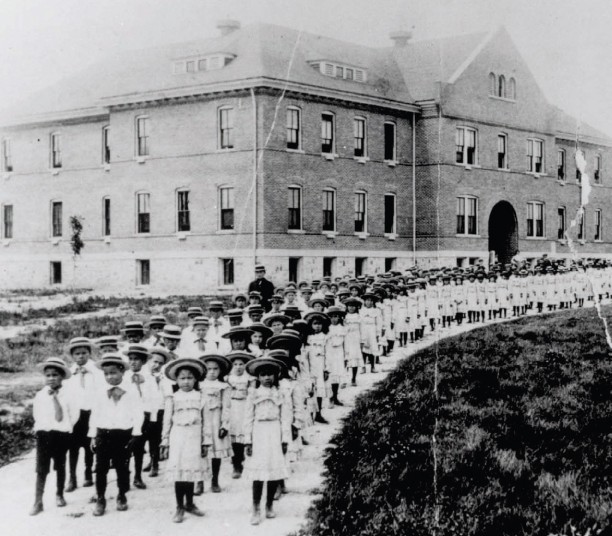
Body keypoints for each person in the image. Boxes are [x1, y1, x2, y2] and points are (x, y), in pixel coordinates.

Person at [89, 353, 144, 516]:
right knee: (100, 468)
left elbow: (138, 413)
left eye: (113, 372)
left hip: (123, 434)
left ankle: (122, 495)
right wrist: (93, 435)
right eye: (106, 374)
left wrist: (136, 434)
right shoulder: (100, 392)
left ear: (122, 372)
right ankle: (100, 498)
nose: (109, 376)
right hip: (103, 434)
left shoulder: (131, 391)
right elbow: (95, 414)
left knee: (122, 467)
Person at [160, 357, 211, 523]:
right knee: (179, 472)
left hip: (195, 437)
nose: (186, 381)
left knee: (190, 471)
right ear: (176, 380)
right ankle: (179, 506)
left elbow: (206, 422)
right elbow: (167, 421)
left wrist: (206, 442)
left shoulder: (201, 397)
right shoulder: (172, 398)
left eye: (190, 378)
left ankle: (190, 503)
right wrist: (165, 441)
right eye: (182, 378)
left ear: (196, 379)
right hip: (178, 437)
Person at [243, 357, 291, 525]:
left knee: (272, 470)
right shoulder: (253, 394)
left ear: (275, 376)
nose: (267, 378)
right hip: (259, 432)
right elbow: (248, 417)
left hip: (274, 431)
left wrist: (285, 439)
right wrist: (248, 441)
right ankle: (255, 507)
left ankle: (269, 504)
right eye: (263, 375)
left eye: (270, 374)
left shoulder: (280, 393)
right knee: (258, 471)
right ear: (258, 377)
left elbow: (286, 417)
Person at [30, 357, 77, 516]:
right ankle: (38, 501)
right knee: (41, 469)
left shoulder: (68, 395)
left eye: (55, 375)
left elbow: (73, 414)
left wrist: (65, 428)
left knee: (60, 465)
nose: (51, 378)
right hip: (44, 434)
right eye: (48, 375)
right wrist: (40, 429)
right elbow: (37, 414)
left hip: (61, 434)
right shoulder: (40, 395)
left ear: (62, 377)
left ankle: (59, 494)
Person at [65, 337, 101, 492]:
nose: (81, 356)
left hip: (91, 413)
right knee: (72, 448)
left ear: (89, 353)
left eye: (84, 353)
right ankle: (71, 478)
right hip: (74, 415)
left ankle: (88, 474)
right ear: (72, 356)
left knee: (89, 446)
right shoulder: (69, 373)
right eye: (77, 354)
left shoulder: (96, 371)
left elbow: (100, 391)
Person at [124, 344, 157, 490]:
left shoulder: (149, 378)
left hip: (144, 416)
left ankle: (137, 476)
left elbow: (155, 399)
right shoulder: (124, 378)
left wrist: (152, 419)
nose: (133, 362)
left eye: (136, 359)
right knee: (126, 447)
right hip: (128, 417)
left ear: (143, 361)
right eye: (130, 359)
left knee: (139, 447)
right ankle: (124, 476)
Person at [200, 353, 232, 494]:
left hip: (216, 419)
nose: (212, 372)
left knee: (216, 452)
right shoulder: (199, 385)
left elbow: (227, 406)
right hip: (201, 420)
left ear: (220, 371)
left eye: (215, 369)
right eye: (208, 369)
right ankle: (199, 481)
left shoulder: (224, 386)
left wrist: (224, 424)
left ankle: (214, 480)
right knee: (200, 451)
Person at [226, 351, 255, 479]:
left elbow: (252, 394)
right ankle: (236, 464)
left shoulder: (250, 378)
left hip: (246, 406)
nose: (238, 367)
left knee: (246, 433)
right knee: (234, 435)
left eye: (241, 364)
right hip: (232, 407)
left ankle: (246, 459)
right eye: (235, 364)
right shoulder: (227, 378)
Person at [144, 347, 173, 477]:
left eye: (160, 363)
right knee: (142, 437)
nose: (156, 365)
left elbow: (168, 397)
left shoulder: (164, 378)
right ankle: (149, 461)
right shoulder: (143, 376)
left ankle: (155, 463)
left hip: (159, 411)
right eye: (154, 361)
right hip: (145, 411)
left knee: (154, 439)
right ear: (148, 361)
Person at [325, 306, 346, 406]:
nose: (334, 319)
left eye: (336, 316)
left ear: (339, 317)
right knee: (329, 375)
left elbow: (346, 343)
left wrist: (346, 356)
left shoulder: (343, 328)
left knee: (337, 375)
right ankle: (330, 398)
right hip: (329, 352)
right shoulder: (326, 329)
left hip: (339, 353)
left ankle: (335, 396)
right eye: (331, 317)